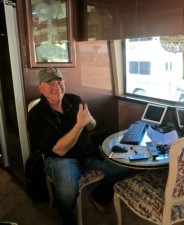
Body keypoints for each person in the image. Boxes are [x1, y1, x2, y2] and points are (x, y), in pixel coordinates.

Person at [27, 67, 129, 225]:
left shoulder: (74, 100)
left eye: (59, 82)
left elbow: (92, 126)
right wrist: (79, 125)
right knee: (67, 192)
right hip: (60, 159)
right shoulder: (36, 115)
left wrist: (89, 120)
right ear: (40, 87)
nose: (56, 87)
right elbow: (59, 150)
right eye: (50, 83)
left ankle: (98, 197)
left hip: (88, 152)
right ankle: (68, 219)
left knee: (123, 167)